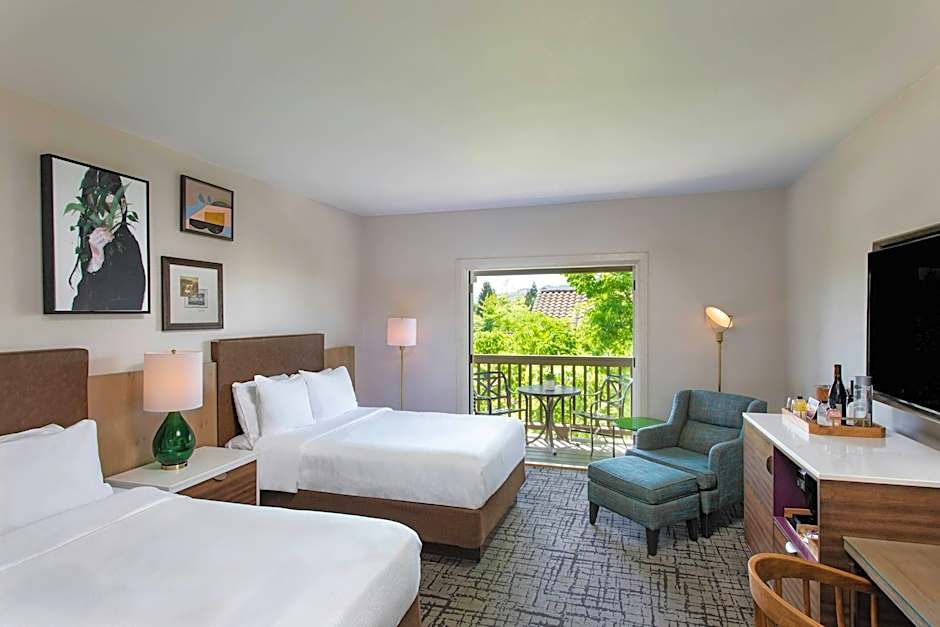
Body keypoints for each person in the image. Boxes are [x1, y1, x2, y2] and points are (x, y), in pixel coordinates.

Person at [70, 168, 146, 311]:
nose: (102, 217)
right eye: (94, 209)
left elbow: (126, 307)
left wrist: (96, 265)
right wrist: (95, 261)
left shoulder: (128, 248)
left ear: (122, 206)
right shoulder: (90, 244)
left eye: (109, 207)